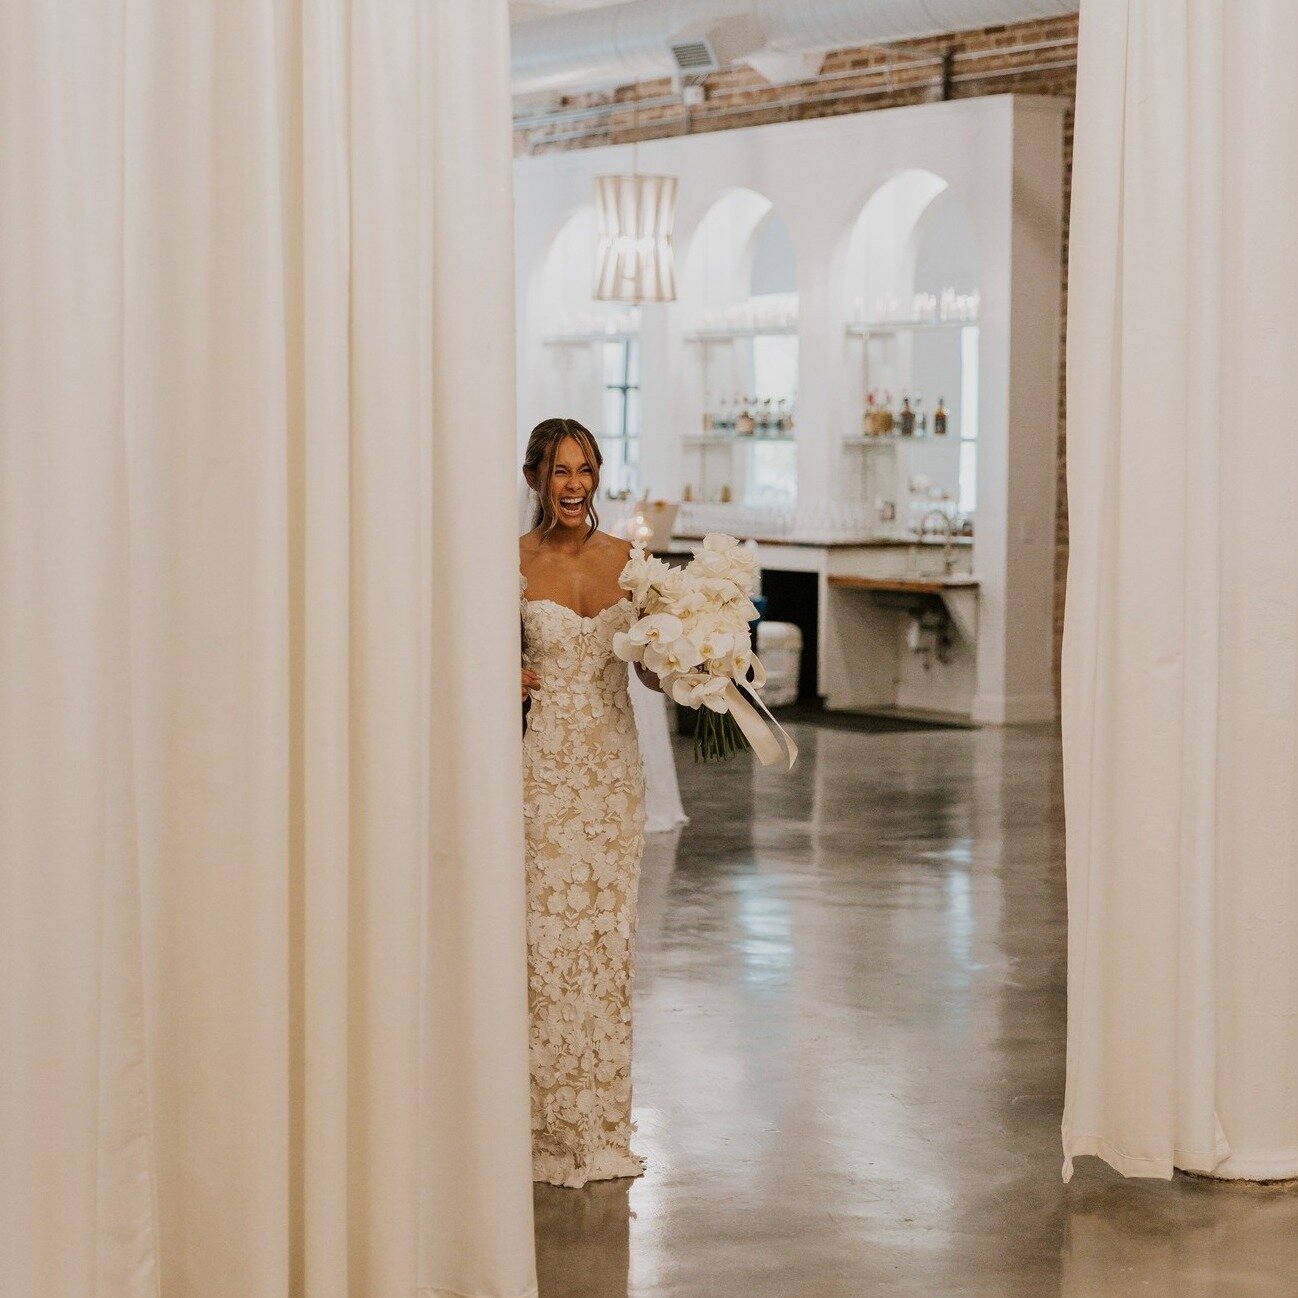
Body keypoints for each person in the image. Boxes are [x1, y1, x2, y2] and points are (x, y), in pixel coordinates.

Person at [518, 416, 660, 1188]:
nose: (573, 485)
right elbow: (475, 658)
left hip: (610, 775)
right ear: (536, 476)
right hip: (542, 771)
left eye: (585, 470)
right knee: (544, 943)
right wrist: (503, 676)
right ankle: (538, 1126)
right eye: (559, 471)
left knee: (606, 942)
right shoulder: (509, 563)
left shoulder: (630, 564)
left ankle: (601, 1125)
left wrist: (694, 664)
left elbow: (649, 673)